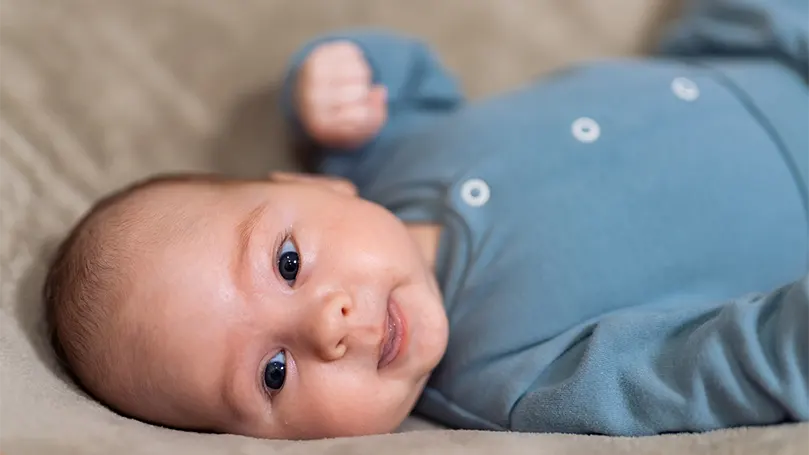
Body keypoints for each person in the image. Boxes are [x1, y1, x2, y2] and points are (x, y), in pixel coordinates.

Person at [44, 0, 809, 440]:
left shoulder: (379, 165)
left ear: (309, 183)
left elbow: (408, 78)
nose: (330, 324)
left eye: (285, 263)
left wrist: (336, 79)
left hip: (745, 46)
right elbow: (711, 366)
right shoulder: (513, 386)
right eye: (274, 373)